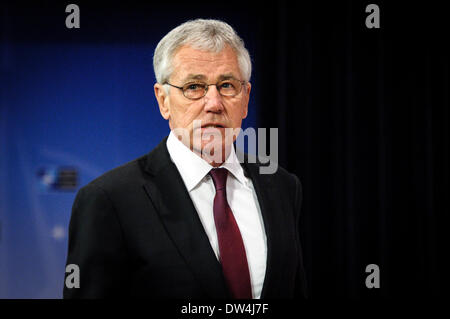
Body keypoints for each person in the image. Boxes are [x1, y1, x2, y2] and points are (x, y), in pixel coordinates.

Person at [63, 19, 307, 299]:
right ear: (163, 100)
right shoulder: (109, 200)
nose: (214, 104)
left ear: (245, 97)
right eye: (194, 87)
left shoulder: (282, 186)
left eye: (227, 85)